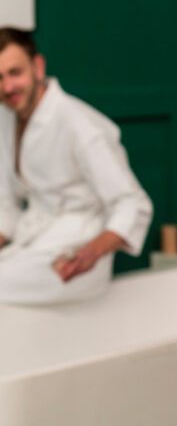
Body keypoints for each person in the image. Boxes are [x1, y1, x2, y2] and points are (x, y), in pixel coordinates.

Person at [0, 28, 153, 304]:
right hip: (32, 243)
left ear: (37, 67)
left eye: (15, 73)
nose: (7, 87)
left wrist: (90, 253)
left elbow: (133, 204)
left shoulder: (80, 125)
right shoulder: (6, 120)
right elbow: (6, 206)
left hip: (73, 256)